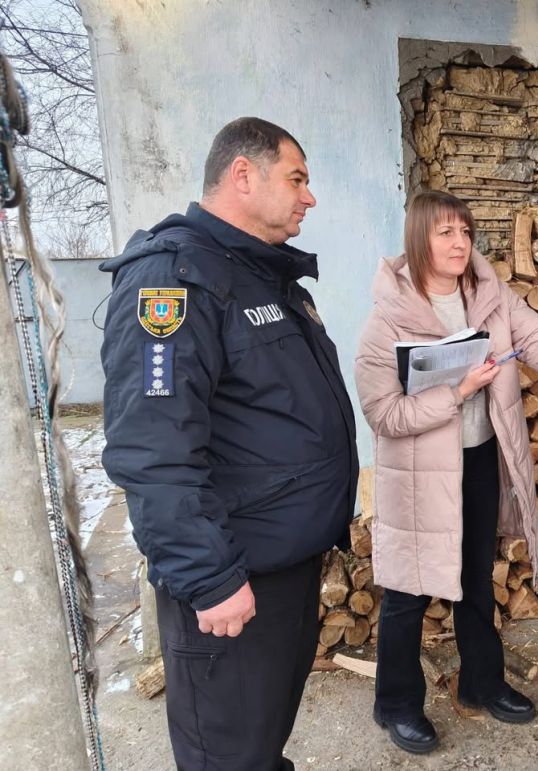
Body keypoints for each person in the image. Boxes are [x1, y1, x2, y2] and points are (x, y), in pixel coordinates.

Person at [100, 117, 358, 771]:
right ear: (243, 175)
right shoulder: (173, 279)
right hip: (233, 577)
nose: (309, 197)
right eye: (297, 178)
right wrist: (209, 577)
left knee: (258, 742)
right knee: (227, 756)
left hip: (284, 566)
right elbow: (154, 449)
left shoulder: (261, 276)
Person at [354, 190, 538, 754]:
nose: (459, 243)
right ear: (419, 239)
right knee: (408, 590)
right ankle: (395, 703)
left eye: (465, 232)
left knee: (475, 579)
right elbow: (383, 413)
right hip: (418, 474)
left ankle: (481, 683)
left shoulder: (491, 298)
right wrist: (456, 393)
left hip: (478, 460)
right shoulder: (388, 319)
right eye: (444, 232)